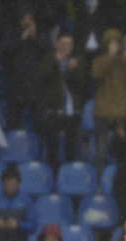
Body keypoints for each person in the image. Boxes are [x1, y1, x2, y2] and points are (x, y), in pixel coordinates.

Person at [91, 28, 126, 175]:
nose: (115, 45)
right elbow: (96, 74)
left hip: (122, 111)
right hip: (103, 112)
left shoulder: (124, 60)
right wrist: (110, 56)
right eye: (112, 42)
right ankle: (98, 181)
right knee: (100, 151)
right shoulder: (99, 60)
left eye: (117, 42)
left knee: (123, 151)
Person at [37, 32, 87, 168]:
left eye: (69, 44)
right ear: (57, 44)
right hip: (54, 111)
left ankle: (68, 178)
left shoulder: (78, 61)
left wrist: (72, 70)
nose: (66, 47)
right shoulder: (49, 58)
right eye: (63, 43)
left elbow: (82, 84)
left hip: (71, 112)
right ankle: (52, 178)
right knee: (52, 150)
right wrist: (55, 62)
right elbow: (42, 76)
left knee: (71, 150)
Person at [0, 10, 45, 130]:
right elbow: (6, 51)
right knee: (13, 123)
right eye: (25, 19)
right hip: (16, 87)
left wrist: (34, 36)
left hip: (35, 87)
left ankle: (39, 147)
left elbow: (47, 50)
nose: (27, 22)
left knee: (39, 125)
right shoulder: (12, 35)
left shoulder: (40, 36)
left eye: (30, 19)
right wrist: (22, 38)